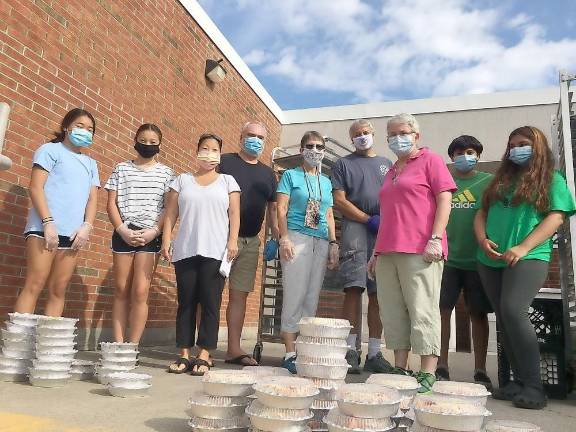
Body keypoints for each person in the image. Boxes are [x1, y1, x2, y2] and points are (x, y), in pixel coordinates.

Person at [474, 126, 575, 409]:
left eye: (524, 144)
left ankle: (534, 386)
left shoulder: (551, 180)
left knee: (513, 311)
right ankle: (516, 382)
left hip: (529, 257)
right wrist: (482, 240)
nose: (517, 149)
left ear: (538, 146)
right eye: (513, 144)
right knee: (504, 318)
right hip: (490, 259)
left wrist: (523, 247)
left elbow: (555, 218)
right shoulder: (500, 181)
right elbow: (481, 213)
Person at [368, 113, 456, 394]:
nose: (397, 138)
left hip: (421, 249)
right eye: (391, 134)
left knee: (423, 309)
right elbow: (387, 214)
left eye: (403, 132)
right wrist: (375, 252)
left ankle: (427, 371)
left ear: (416, 135)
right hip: (388, 250)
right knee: (392, 311)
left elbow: (445, 198)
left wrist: (435, 238)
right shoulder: (393, 169)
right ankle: (400, 366)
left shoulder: (431, 161)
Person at [162, 133, 240, 375]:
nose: (209, 153)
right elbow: (171, 213)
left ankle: (204, 354)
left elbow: (234, 215)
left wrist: (232, 241)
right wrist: (166, 238)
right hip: (185, 249)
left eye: (214, 149)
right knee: (185, 303)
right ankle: (184, 353)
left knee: (210, 303)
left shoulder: (228, 181)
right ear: (196, 151)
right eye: (204, 148)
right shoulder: (182, 180)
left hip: (216, 251)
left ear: (220, 154)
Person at [14, 108, 100, 316]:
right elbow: (35, 187)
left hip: (73, 235)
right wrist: (48, 221)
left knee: (58, 289)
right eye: (79, 126)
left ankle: (47, 347)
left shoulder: (90, 164)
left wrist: (86, 226)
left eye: (90, 129)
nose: (85, 131)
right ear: (66, 127)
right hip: (44, 229)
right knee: (35, 283)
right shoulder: (49, 150)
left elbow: (92, 199)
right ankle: (18, 346)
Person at [332, 119, 393, 374]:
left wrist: (386, 222)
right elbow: (339, 200)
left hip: (383, 229)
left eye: (366, 132)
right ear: (351, 139)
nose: (362, 137)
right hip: (356, 228)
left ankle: (375, 353)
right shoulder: (343, 164)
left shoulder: (387, 164)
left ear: (374, 134)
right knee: (354, 288)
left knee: (378, 292)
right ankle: (350, 351)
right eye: (357, 134)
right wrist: (367, 219)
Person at [105, 124, 175, 344]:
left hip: (150, 235)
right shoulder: (121, 168)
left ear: (160, 145)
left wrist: (155, 231)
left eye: (153, 142)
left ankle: (132, 346)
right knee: (121, 289)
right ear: (135, 140)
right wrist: (121, 229)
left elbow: (168, 207)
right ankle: (117, 344)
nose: (147, 145)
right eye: (143, 140)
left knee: (141, 291)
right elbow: (111, 203)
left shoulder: (166, 173)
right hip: (124, 231)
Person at [277, 131, 338, 373]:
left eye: (319, 146)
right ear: (301, 150)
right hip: (297, 237)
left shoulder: (326, 182)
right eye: (310, 146)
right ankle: (290, 352)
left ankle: (303, 349)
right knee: (295, 294)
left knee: (311, 297)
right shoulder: (290, 175)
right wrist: (284, 238)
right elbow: (281, 209)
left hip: (320, 240)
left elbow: (329, 214)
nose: (315, 150)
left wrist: (333, 243)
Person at [219, 121, 278, 366]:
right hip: (220, 238)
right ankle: (202, 347)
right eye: (250, 135)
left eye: (260, 137)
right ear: (240, 137)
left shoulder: (268, 174)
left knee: (239, 295)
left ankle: (234, 348)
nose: (255, 140)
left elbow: (273, 208)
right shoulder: (224, 162)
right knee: (210, 293)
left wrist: (275, 237)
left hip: (251, 241)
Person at [437, 135, 493, 388]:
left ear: (478, 155)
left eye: (470, 152)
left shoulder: (490, 183)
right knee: (442, 312)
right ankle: (441, 365)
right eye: (458, 153)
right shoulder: (444, 182)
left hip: (478, 260)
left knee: (478, 314)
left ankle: (480, 369)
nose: (464, 157)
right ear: (451, 157)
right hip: (447, 260)